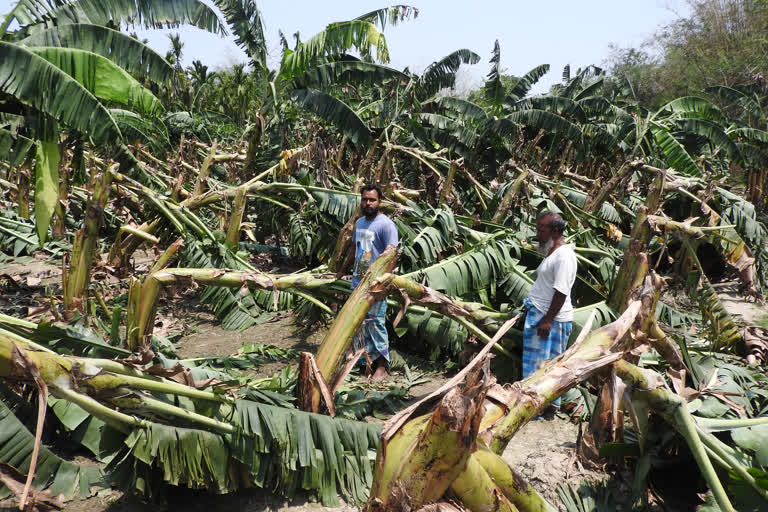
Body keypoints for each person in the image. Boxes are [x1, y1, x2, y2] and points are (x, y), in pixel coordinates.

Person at [335, 184, 398, 382]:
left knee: (376, 323)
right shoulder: (360, 222)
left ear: (380, 202)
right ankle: (364, 362)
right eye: (365, 199)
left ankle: (382, 366)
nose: (368, 203)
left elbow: (392, 254)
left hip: (376, 284)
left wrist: (384, 281)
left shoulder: (386, 225)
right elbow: (354, 249)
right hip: (358, 282)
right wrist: (342, 271)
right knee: (359, 324)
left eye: (372, 200)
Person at [522, 211, 577, 410]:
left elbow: (561, 292)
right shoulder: (552, 252)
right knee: (539, 368)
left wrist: (547, 320)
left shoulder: (564, 256)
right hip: (542, 314)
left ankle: (536, 407)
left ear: (555, 230)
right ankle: (534, 406)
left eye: (541, 229)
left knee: (544, 370)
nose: (538, 234)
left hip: (551, 321)